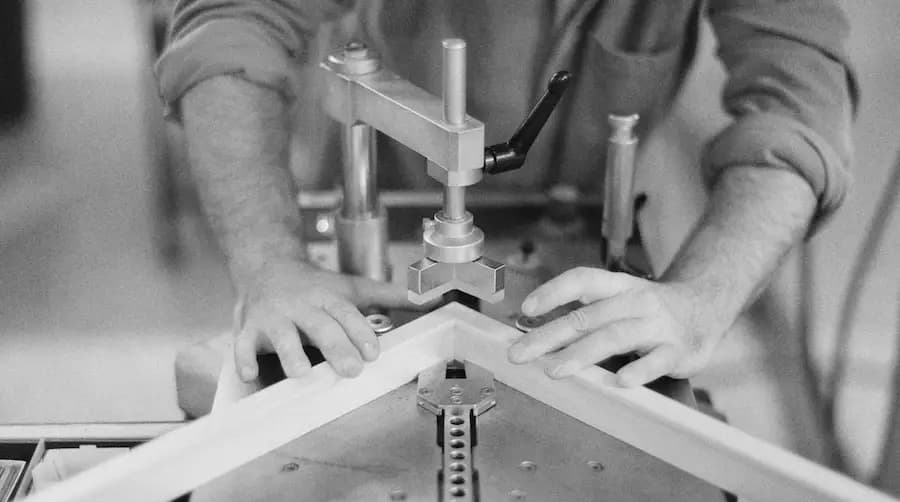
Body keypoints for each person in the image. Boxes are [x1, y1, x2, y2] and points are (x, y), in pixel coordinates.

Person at [156, 1, 856, 386]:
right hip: (374, 207)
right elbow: (230, 23)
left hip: (584, 222)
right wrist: (269, 262)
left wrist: (702, 297)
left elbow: (797, 100)